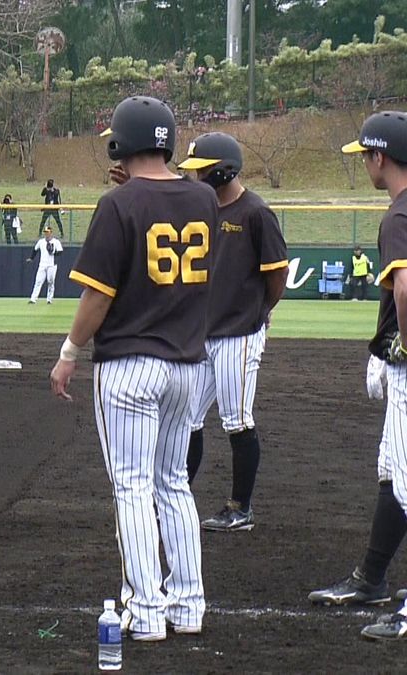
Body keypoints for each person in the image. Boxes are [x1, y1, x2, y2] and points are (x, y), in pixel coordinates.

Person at [49, 96, 216, 641]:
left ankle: (146, 612)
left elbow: (97, 298)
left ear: (123, 144)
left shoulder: (116, 205)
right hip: (188, 365)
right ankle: (188, 606)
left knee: (132, 488)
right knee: (175, 485)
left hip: (130, 367)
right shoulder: (204, 197)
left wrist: (69, 352)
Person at [309, 111, 407, 641]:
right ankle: (370, 578)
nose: (365, 163)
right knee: (393, 473)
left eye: (365, 155)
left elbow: (406, 290)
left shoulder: (398, 216)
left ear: (380, 157)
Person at [176, 132, 289, 532]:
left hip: (239, 335)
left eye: (201, 169)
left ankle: (240, 507)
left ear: (222, 169)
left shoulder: (256, 212)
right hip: (204, 334)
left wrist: (259, 312)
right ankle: (176, 498)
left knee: (237, 419)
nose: (195, 176)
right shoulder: (203, 210)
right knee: (186, 417)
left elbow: (277, 274)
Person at [26, 227, 63, 304]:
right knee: (38, 281)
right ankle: (33, 299)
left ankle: (49, 299)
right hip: (42, 265)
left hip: (52, 265)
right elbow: (35, 250)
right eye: (45, 232)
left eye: (48, 232)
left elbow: (60, 252)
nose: (47, 234)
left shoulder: (55, 242)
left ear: (51, 233)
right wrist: (31, 258)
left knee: (50, 281)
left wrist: (53, 253)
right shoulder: (41, 242)